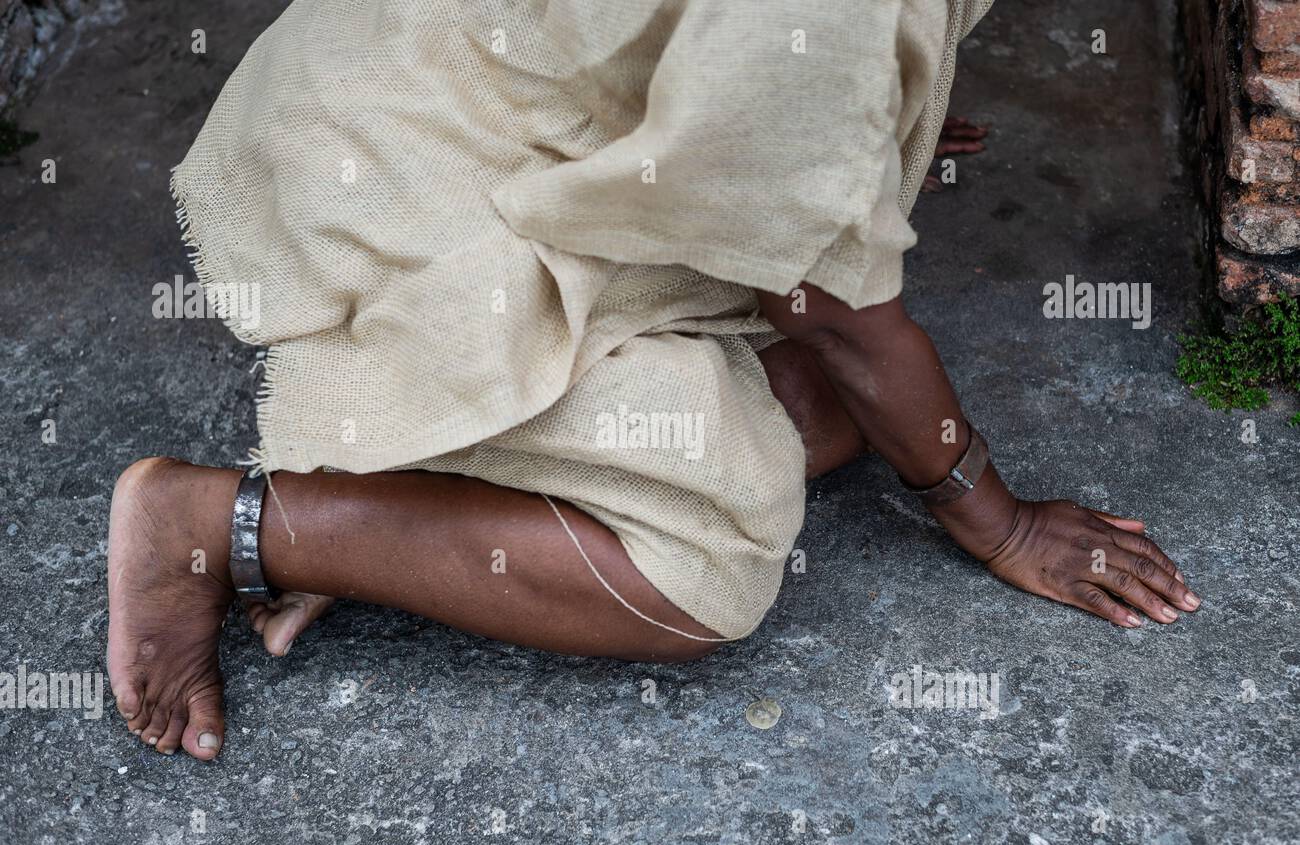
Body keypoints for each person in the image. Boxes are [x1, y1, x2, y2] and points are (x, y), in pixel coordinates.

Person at [108, 0, 1199, 761]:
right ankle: (217, 522)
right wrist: (996, 521)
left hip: (431, 84)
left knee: (830, 409)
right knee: (709, 558)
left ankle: (427, 497)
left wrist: (840, 123)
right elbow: (847, 327)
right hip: (391, 189)